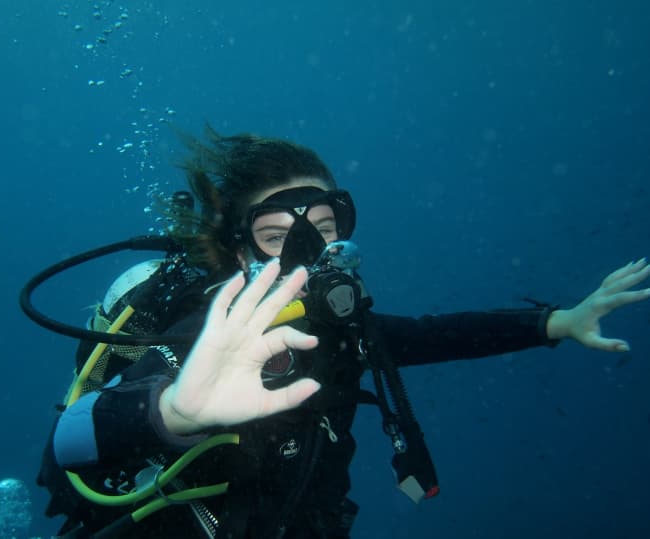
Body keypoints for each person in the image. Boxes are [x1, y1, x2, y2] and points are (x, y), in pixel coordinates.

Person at [35, 129, 650, 538]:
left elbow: (438, 335)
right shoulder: (206, 332)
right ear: (240, 248)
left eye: (324, 228)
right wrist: (173, 411)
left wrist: (558, 320)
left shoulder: (345, 332)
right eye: (277, 237)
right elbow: (64, 443)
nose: (307, 252)